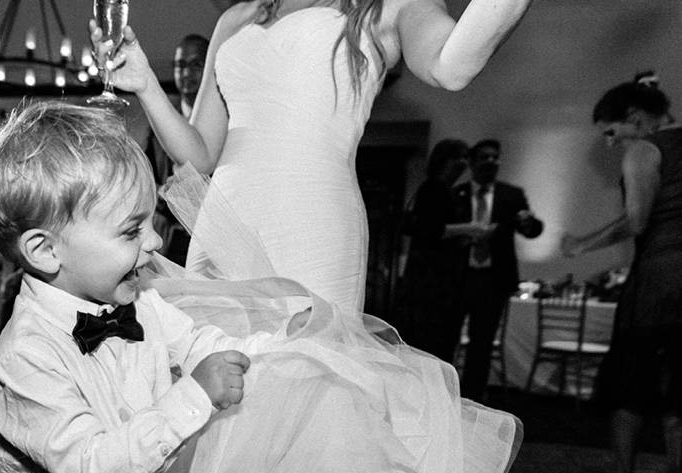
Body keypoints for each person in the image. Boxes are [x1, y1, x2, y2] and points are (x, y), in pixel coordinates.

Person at [0, 101, 306, 473]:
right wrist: (193, 396)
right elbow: (96, 468)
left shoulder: (139, 299)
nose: (154, 243)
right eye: (132, 230)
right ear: (45, 250)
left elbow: (202, 344)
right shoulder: (24, 359)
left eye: (150, 222)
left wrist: (274, 349)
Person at [94, 0, 537, 312]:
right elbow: (202, 153)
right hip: (225, 222)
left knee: (304, 384)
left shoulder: (384, 6)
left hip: (313, 223)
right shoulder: (237, 17)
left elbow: (452, 66)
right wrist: (146, 83)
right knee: (215, 378)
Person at [562, 72, 682, 473]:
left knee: (628, 389)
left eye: (612, 132)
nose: (612, 144)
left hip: (659, 284)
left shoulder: (644, 149)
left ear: (635, 118)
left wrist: (581, 244)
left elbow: (637, 221)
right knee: (678, 393)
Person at [451, 139, 543, 401]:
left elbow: (532, 230)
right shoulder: (457, 194)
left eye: (495, 157)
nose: (491, 162)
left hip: (493, 280)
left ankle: (472, 399)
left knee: (482, 343)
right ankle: (446, 392)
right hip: (460, 277)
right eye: (485, 157)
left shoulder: (511, 195)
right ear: (471, 162)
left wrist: (528, 223)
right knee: (450, 339)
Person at [395, 138, 469, 361]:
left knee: (428, 342)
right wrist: (470, 230)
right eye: (461, 158)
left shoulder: (437, 188)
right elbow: (432, 230)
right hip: (432, 281)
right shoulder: (435, 188)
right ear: (446, 161)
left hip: (429, 279)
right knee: (431, 342)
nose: (464, 164)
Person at [145, 33, 209, 265]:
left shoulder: (222, 127)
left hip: (208, 235)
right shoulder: (161, 125)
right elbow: (148, 177)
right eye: (180, 65)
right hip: (168, 240)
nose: (186, 73)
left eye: (195, 65)